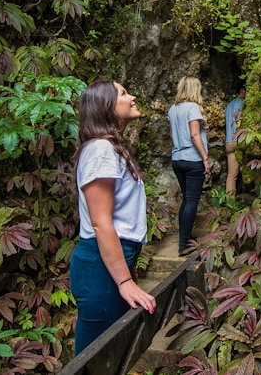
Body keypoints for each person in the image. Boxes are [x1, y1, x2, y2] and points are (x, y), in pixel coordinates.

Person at [69, 80, 156, 356]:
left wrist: (126, 275)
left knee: (109, 356)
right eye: (123, 93)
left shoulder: (109, 148)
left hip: (109, 263)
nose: (132, 97)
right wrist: (124, 281)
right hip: (100, 266)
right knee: (94, 360)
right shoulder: (101, 150)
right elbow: (101, 222)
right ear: (106, 106)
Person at [168, 76, 210, 256]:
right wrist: (205, 158)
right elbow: (195, 135)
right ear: (195, 89)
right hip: (192, 159)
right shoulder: (193, 108)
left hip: (177, 159)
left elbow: (172, 135)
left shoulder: (172, 109)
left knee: (187, 199)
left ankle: (185, 236)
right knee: (192, 200)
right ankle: (184, 244)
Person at [224, 85, 246, 195]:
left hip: (229, 141)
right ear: (242, 91)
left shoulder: (228, 105)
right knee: (253, 170)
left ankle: (230, 204)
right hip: (240, 140)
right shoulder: (242, 104)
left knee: (232, 175)